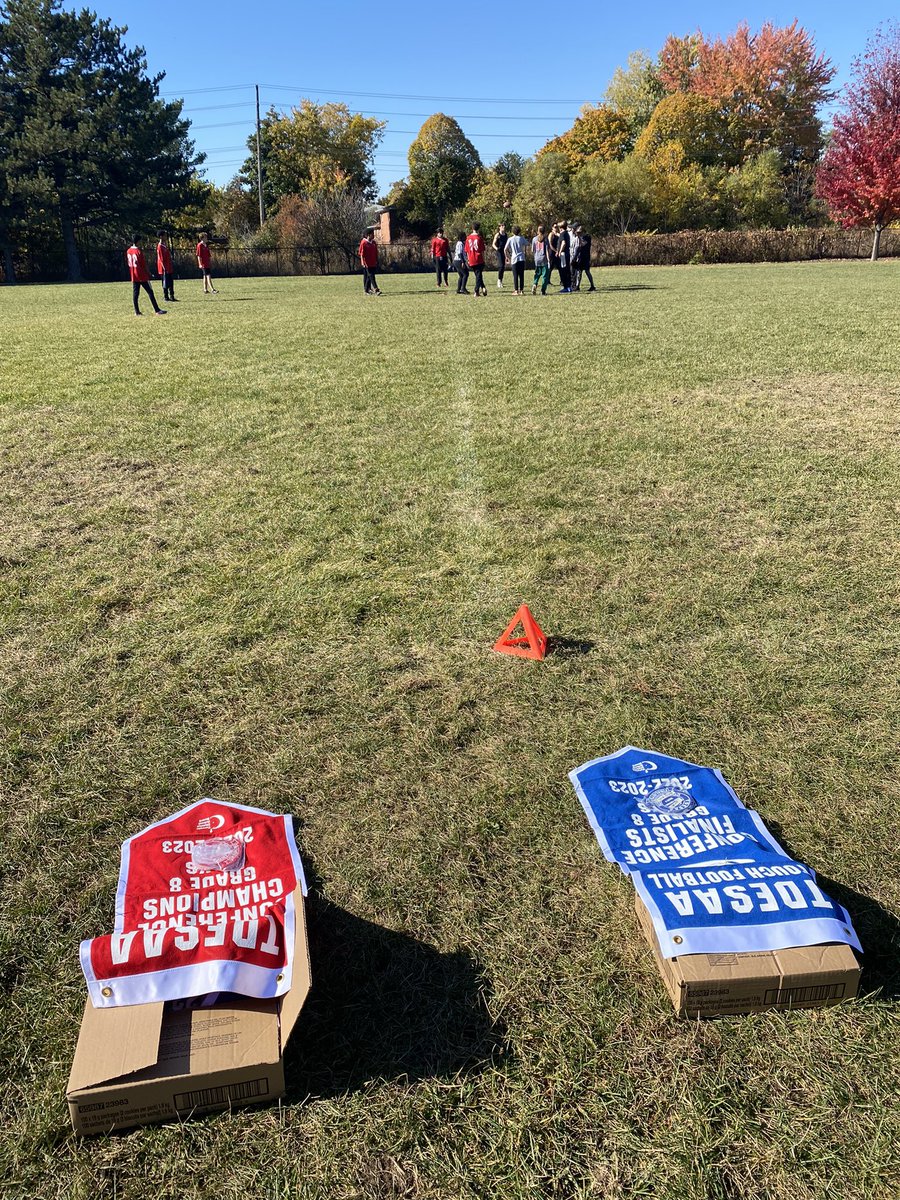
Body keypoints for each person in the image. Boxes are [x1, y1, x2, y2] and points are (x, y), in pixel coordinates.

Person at [127, 236, 166, 316]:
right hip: (141, 275)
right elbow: (143, 265)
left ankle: (137, 311)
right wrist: (149, 273)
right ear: (137, 241)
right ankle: (157, 310)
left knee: (135, 294)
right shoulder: (138, 251)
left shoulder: (128, 251)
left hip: (134, 275)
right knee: (150, 292)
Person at [465, 222, 487, 297]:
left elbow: (467, 250)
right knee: (478, 275)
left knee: (478, 275)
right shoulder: (479, 238)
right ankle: (476, 291)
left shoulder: (468, 238)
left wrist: (468, 259)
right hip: (478, 258)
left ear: (472, 228)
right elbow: (482, 251)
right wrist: (483, 260)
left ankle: (483, 287)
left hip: (471, 258)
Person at [505, 225, 527, 296]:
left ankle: (516, 290)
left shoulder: (510, 239)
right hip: (521, 258)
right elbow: (527, 243)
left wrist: (507, 257)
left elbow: (505, 249)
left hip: (514, 258)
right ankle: (522, 290)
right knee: (521, 275)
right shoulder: (521, 238)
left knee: (515, 275)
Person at [358, 229, 381, 294]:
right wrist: (362, 262)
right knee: (371, 276)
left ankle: (366, 290)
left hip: (373, 262)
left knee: (368, 276)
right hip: (367, 263)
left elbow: (376, 252)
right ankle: (376, 289)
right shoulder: (364, 243)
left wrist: (376, 260)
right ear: (368, 235)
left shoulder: (373, 242)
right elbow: (361, 254)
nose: (373, 235)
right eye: (372, 234)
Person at [156, 231, 176, 302]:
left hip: (169, 267)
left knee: (171, 282)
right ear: (161, 236)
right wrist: (164, 268)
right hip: (164, 268)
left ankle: (172, 296)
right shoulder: (160, 246)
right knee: (165, 282)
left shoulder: (164, 245)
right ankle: (166, 296)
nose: (166, 237)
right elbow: (161, 259)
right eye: (164, 236)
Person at [576, 226, 596, 292]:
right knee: (579, 272)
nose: (579, 234)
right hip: (580, 257)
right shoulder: (579, 238)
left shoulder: (587, 237)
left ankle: (592, 285)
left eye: (580, 232)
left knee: (587, 271)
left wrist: (579, 239)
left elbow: (583, 245)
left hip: (586, 257)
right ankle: (577, 286)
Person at [531, 225, 549, 295]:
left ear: (538, 231)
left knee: (537, 274)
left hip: (537, 259)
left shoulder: (534, 239)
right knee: (545, 276)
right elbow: (547, 250)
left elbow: (532, 250)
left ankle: (535, 284)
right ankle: (543, 290)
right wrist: (548, 260)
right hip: (544, 259)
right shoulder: (545, 239)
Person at [557, 220, 572, 293]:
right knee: (567, 270)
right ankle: (569, 286)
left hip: (563, 254)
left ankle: (566, 287)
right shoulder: (567, 233)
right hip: (567, 253)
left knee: (564, 270)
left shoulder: (563, 234)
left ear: (561, 227)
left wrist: (559, 251)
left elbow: (563, 243)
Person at [492, 222, 508, 289]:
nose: (503, 227)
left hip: (504, 251)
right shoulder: (497, 235)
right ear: (499, 227)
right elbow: (493, 244)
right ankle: (499, 281)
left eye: (504, 225)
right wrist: (497, 248)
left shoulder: (506, 235)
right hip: (499, 252)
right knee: (501, 266)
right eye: (502, 226)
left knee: (503, 267)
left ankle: (500, 281)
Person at [453, 230, 469, 294]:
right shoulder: (460, 243)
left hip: (458, 260)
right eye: (464, 236)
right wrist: (463, 262)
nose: (466, 237)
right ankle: (463, 288)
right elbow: (460, 254)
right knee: (466, 274)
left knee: (461, 275)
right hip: (459, 260)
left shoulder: (462, 243)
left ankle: (458, 289)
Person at [547, 221, 560, 288]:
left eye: (557, 227)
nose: (556, 228)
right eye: (555, 227)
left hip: (557, 252)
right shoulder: (551, 234)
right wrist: (555, 251)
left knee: (559, 267)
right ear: (552, 227)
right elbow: (550, 244)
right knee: (550, 268)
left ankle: (562, 281)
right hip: (552, 253)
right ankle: (547, 281)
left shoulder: (558, 234)